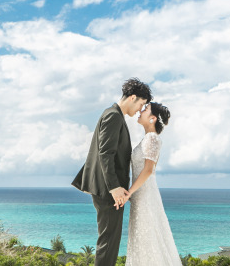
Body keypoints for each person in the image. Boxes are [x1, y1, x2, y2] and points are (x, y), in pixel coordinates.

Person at [72, 78, 152, 266]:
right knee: (108, 241)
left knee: (110, 240)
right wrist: (114, 188)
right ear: (132, 97)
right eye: (140, 104)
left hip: (109, 189)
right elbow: (105, 154)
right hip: (109, 191)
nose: (139, 109)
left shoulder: (113, 114)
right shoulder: (113, 116)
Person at [125, 101, 181, 266]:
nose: (140, 111)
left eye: (145, 109)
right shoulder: (148, 138)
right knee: (143, 239)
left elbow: (148, 170)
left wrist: (130, 192)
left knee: (148, 238)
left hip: (144, 196)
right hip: (140, 195)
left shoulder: (152, 138)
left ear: (153, 118)